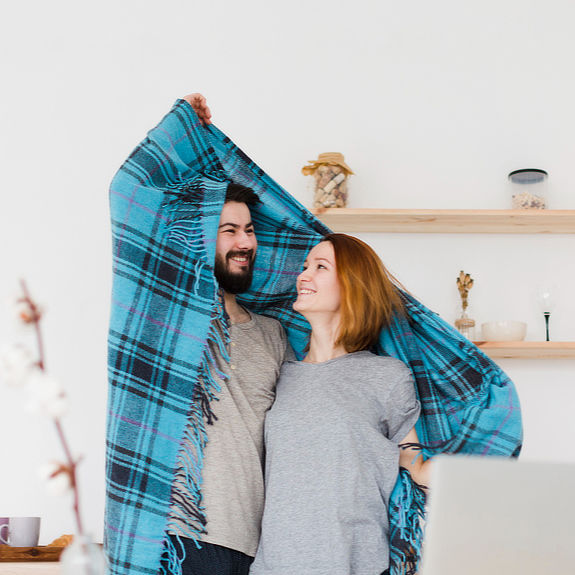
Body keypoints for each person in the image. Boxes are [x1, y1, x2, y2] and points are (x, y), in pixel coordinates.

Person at [249, 233, 432, 575]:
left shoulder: (386, 376)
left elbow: (414, 464)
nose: (303, 275)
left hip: (353, 564)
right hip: (274, 565)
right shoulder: (280, 374)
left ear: (352, 285)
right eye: (305, 266)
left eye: (320, 267)